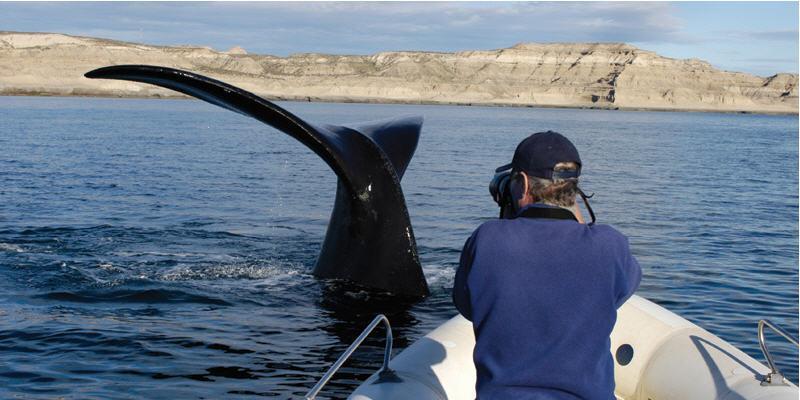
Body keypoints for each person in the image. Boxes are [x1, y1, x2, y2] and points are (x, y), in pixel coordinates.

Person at [452, 131, 642, 400]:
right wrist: (569, 206)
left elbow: (468, 306)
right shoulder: (610, 246)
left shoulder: (487, 239)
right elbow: (619, 293)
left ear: (522, 183)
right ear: (574, 189)